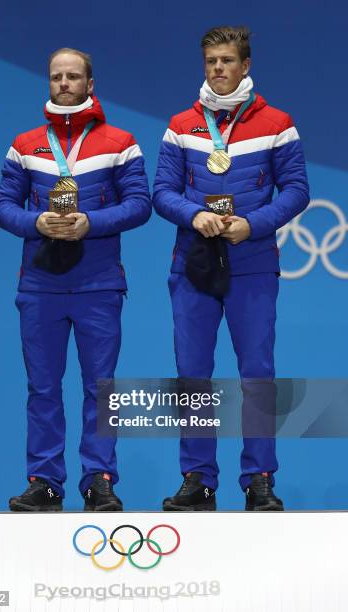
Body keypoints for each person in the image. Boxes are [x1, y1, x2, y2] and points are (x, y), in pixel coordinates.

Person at [153, 26, 309, 511]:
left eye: (226, 60)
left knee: (257, 373)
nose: (217, 69)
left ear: (245, 66)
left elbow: (297, 190)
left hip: (253, 263)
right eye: (210, 62)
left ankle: (259, 478)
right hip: (194, 265)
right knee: (194, 375)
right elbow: (161, 191)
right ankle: (198, 478)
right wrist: (193, 214)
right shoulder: (182, 124)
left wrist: (253, 225)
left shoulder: (277, 122)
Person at [0, 47, 151, 512]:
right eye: (56, 76)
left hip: (99, 284)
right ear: (49, 82)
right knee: (42, 388)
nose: (63, 83)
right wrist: (36, 223)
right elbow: (2, 206)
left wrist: (93, 222)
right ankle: (44, 481)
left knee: (101, 388)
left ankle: (99, 480)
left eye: (73, 76)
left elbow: (140, 204)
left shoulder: (120, 141)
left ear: (90, 84)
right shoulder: (24, 144)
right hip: (40, 284)